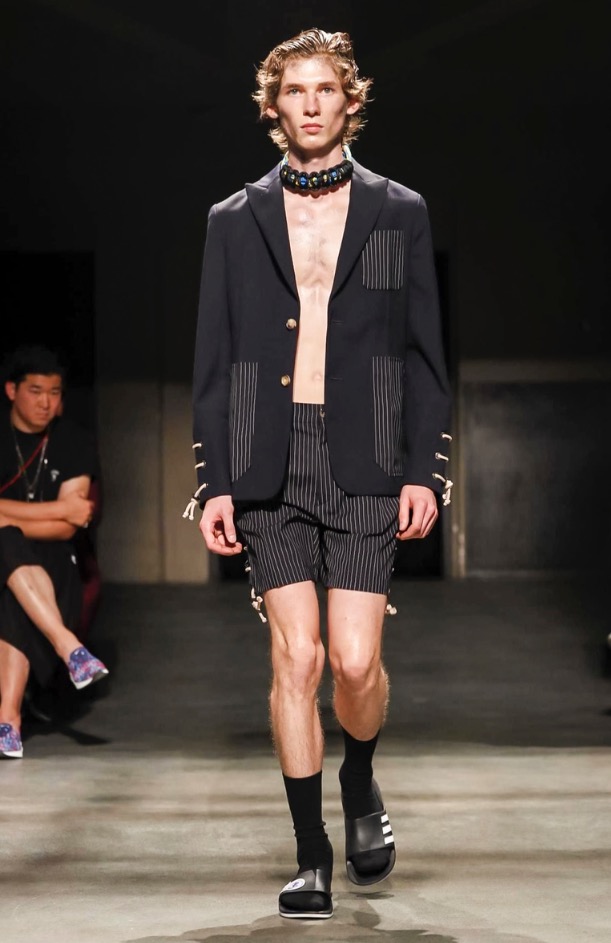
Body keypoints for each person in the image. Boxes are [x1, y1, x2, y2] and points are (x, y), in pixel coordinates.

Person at [184, 28, 453, 919]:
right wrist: (215, 480)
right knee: (295, 658)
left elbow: (421, 353)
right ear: (273, 107)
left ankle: (360, 777)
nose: (309, 104)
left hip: (366, 456)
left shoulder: (397, 210)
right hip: (268, 458)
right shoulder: (233, 219)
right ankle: (311, 855)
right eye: (293, 90)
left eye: (324, 89)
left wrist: (423, 470)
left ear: (350, 101)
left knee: (354, 661)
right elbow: (214, 360)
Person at [0, 345, 109, 759]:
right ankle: (69, 648)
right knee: (6, 543)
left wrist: (7, 518)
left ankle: (8, 721)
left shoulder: (73, 440)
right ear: (12, 390)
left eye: (55, 392)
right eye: (35, 391)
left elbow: (69, 525)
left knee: (10, 566)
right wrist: (58, 509)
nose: (46, 402)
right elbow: (66, 512)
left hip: (56, 562)